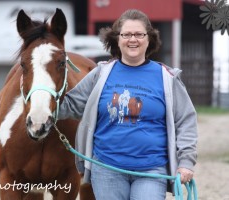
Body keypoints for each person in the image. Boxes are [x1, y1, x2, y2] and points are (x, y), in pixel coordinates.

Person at [58, 9, 197, 200]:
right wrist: (41, 96)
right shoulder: (100, 74)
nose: (133, 39)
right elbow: (70, 105)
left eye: (139, 34)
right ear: (117, 39)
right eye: (127, 34)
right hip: (107, 168)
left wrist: (186, 162)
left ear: (149, 39)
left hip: (151, 169)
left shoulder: (167, 77)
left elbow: (186, 120)